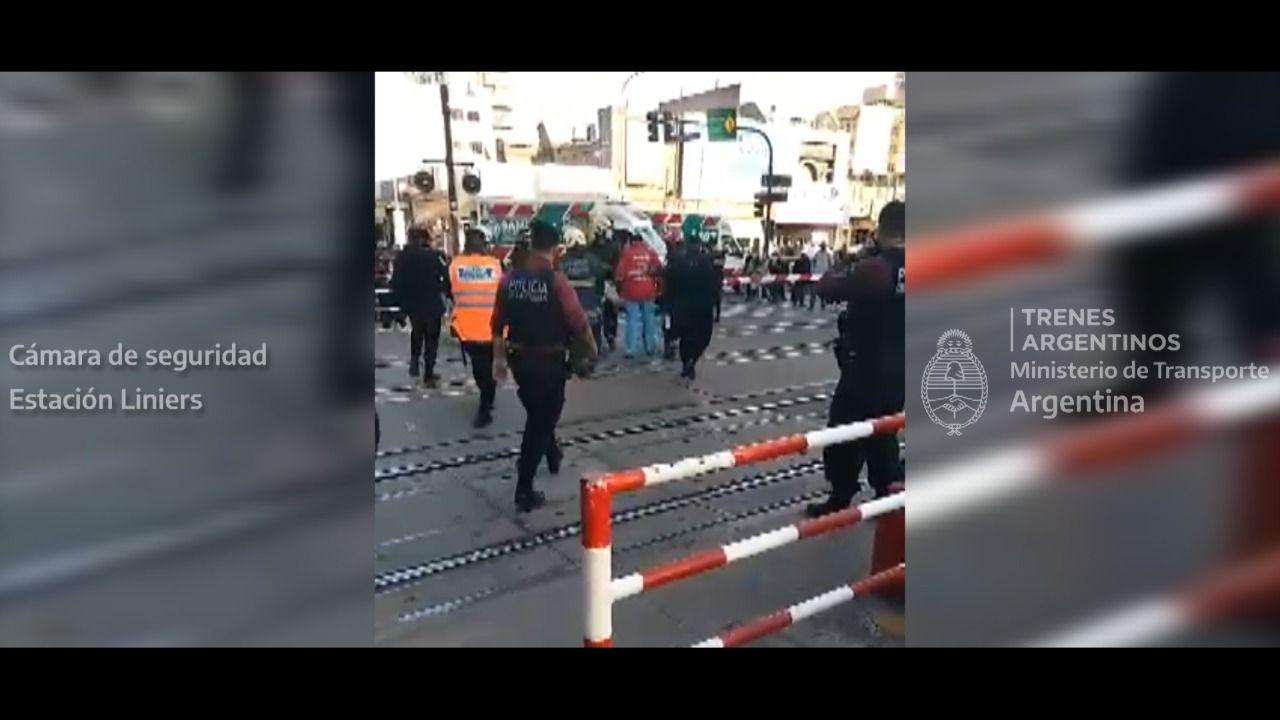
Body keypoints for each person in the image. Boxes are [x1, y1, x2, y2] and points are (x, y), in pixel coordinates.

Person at [492, 220, 599, 513]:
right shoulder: (556, 281)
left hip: (520, 362)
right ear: (555, 248)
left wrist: (499, 360)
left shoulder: (509, 280)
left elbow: (497, 324)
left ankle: (552, 453)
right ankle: (524, 487)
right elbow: (578, 322)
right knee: (541, 420)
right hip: (550, 363)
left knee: (538, 412)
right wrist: (592, 350)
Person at [807, 200, 905, 517]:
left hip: (864, 368)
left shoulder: (876, 267)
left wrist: (854, 257)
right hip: (901, 369)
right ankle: (887, 490)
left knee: (842, 433)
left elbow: (826, 287)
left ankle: (842, 494)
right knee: (882, 431)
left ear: (881, 228)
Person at [448, 229, 503, 427]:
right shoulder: (495, 265)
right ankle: (487, 401)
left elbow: (449, 292)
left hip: (468, 330)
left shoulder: (455, 265)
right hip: (493, 328)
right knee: (488, 368)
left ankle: (486, 405)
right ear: (484, 244)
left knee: (480, 369)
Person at [391, 225, 450, 386]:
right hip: (432, 301)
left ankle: (415, 360)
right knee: (432, 338)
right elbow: (445, 277)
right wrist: (448, 294)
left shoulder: (401, 257)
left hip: (413, 302)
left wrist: (399, 306)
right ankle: (429, 372)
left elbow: (396, 281)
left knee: (417, 332)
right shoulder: (435, 256)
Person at [664, 231, 722, 380]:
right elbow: (714, 284)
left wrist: (669, 303)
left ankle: (687, 361)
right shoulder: (707, 262)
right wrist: (715, 303)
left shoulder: (677, 261)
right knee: (702, 338)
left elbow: (669, 283)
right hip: (702, 309)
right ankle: (692, 360)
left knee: (685, 337)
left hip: (682, 307)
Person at [559, 227, 608, 356]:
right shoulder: (592, 259)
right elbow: (600, 279)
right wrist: (600, 296)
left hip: (569, 309)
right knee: (594, 331)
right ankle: (593, 355)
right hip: (591, 305)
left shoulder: (562, 261)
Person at [614, 229, 662, 359]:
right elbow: (659, 268)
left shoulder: (627, 254)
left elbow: (619, 275)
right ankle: (650, 346)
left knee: (632, 320)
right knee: (649, 319)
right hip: (648, 290)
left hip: (631, 291)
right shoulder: (650, 253)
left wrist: (619, 289)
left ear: (631, 241)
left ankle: (631, 349)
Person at [811, 243, 833, 310]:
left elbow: (831, 264)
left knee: (823, 290)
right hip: (817, 274)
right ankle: (812, 304)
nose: (823, 247)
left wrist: (829, 272)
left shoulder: (828, 255)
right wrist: (812, 271)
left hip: (824, 274)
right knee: (814, 290)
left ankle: (822, 304)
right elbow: (813, 261)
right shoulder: (817, 254)